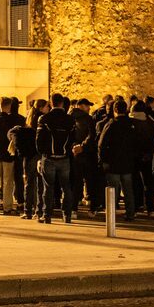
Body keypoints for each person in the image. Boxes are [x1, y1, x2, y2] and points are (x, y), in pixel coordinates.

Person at [36, 93, 76, 223]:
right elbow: (73, 139)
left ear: (51, 103)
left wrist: (42, 154)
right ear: (62, 103)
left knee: (48, 187)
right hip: (64, 157)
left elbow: (39, 140)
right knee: (66, 186)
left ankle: (47, 215)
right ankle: (67, 215)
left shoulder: (44, 119)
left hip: (49, 157)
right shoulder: (70, 120)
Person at [98, 100, 137, 222]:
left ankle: (111, 214)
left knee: (113, 191)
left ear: (115, 110)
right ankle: (130, 213)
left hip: (113, 162)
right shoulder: (131, 124)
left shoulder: (111, 124)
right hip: (128, 163)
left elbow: (102, 144)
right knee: (128, 190)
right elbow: (137, 143)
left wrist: (103, 160)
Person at [70, 98, 100, 216]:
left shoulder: (69, 117)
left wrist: (74, 147)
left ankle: (73, 209)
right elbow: (92, 135)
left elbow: (69, 135)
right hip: (88, 155)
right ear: (81, 106)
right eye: (87, 106)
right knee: (90, 182)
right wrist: (83, 146)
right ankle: (92, 209)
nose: (89, 108)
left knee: (76, 183)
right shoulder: (89, 119)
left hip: (75, 155)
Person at [130, 100, 154, 216]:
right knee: (148, 183)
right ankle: (150, 209)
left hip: (134, 157)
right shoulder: (151, 124)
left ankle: (138, 206)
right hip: (148, 157)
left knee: (135, 182)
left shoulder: (130, 122)